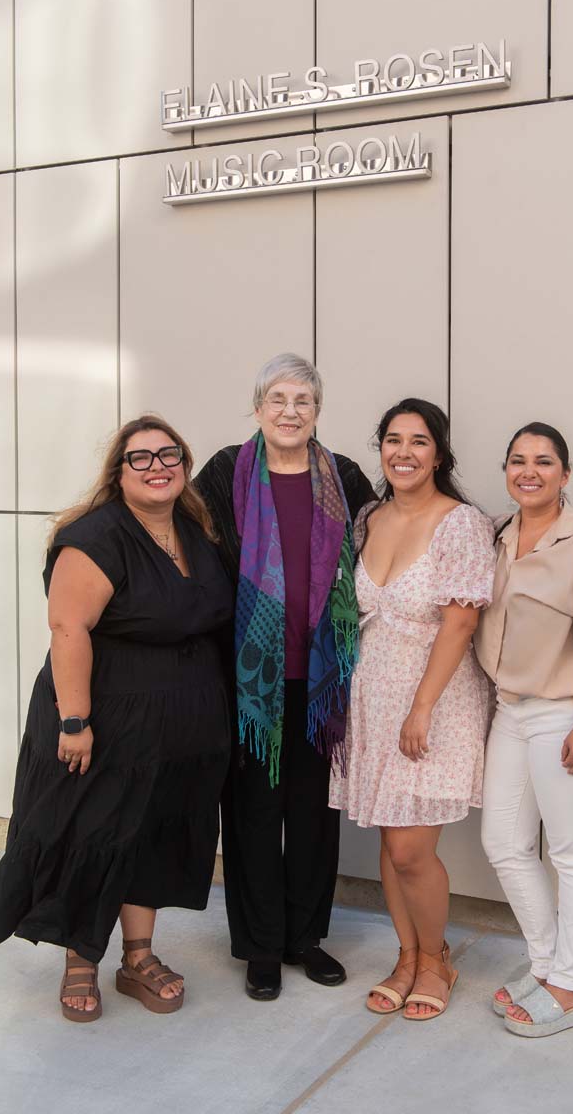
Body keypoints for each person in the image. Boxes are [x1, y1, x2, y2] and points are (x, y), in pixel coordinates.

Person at [0, 415, 233, 1022]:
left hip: (178, 725)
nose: (157, 466)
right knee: (91, 834)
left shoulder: (196, 531)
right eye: (140, 458)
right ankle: (80, 960)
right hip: (103, 718)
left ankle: (137, 958)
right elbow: (69, 629)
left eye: (169, 454)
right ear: (118, 473)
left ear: (186, 464)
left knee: (151, 835)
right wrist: (74, 722)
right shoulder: (96, 536)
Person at [195, 353, 374, 1001]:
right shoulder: (225, 473)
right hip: (249, 683)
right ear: (257, 407)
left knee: (311, 816)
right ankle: (260, 946)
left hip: (321, 679)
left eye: (302, 400)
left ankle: (305, 938)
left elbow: (383, 550)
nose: (290, 411)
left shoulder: (344, 477)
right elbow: (196, 560)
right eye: (278, 398)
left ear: (318, 411)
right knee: (250, 813)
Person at [330, 398, 495, 1022]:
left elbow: (460, 623)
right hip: (372, 694)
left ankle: (436, 960)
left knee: (410, 851)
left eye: (419, 441)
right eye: (393, 440)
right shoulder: (367, 517)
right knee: (387, 831)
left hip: (435, 698)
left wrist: (421, 707)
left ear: (440, 454)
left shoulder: (461, 524)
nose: (404, 452)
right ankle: (407, 955)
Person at [475, 422, 573, 1038]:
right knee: (504, 843)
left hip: (571, 708)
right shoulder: (499, 534)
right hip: (512, 709)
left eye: (544, 461)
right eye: (517, 460)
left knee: (572, 852)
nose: (529, 471)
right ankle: (546, 965)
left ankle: (572, 986)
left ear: (565, 474)